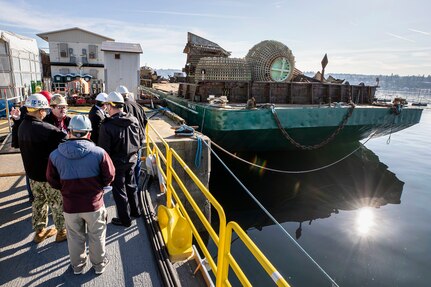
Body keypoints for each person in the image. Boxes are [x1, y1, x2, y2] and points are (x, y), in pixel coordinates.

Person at [46, 115, 115, 275]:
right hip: (94, 205)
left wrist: (66, 189)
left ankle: (77, 267)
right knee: (97, 236)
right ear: (89, 134)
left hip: (70, 205)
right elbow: (110, 176)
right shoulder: (99, 153)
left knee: (75, 237)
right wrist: (99, 187)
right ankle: (99, 265)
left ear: (69, 132)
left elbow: (52, 180)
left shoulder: (55, 155)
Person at [17, 94, 67, 243]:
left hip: (32, 176)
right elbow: (64, 142)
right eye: (44, 110)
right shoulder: (47, 129)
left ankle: (39, 232)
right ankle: (62, 231)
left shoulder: (21, 127)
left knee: (38, 202)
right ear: (39, 111)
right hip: (48, 176)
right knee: (57, 203)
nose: (45, 113)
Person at [98, 91, 144, 227]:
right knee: (131, 185)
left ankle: (125, 219)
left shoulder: (106, 126)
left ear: (111, 106)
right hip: (132, 160)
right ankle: (136, 211)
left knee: (119, 191)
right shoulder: (133, 120)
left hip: (116, 164)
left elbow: (104, 151)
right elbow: (140, 139)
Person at [116, 85, 147, 191]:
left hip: (129, 141)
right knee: (137, 162)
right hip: (140, 139)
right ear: (127, 94)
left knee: (129, 164)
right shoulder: (138, 105)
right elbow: (145, 120)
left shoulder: (121, 107)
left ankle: (128, 186)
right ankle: (136, 185)